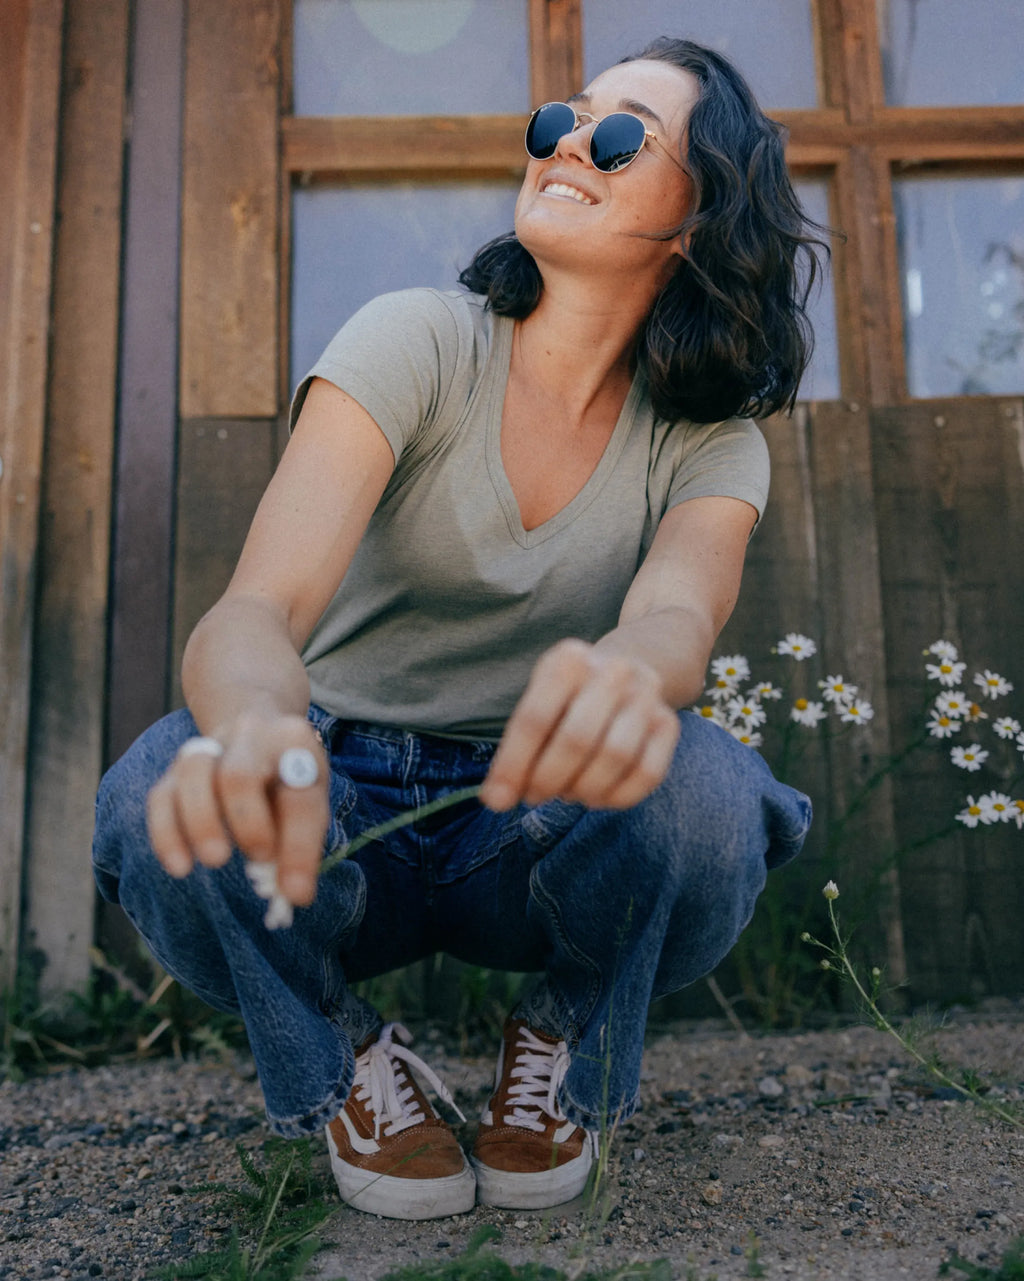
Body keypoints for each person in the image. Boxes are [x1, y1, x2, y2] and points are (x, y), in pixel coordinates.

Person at [93, 37, 818, 1222]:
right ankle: (346, 1061)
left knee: (706, 794)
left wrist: (629, 677)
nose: (569, 141)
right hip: (335, 806)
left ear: (695, 219)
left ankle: (556, 1052)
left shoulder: (710, 440)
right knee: (152, 788)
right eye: (561, 118)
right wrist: (260, 730)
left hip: (533, 820)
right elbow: (256, 612)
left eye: (625, 132)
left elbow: (678, 619)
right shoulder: (420, 339)